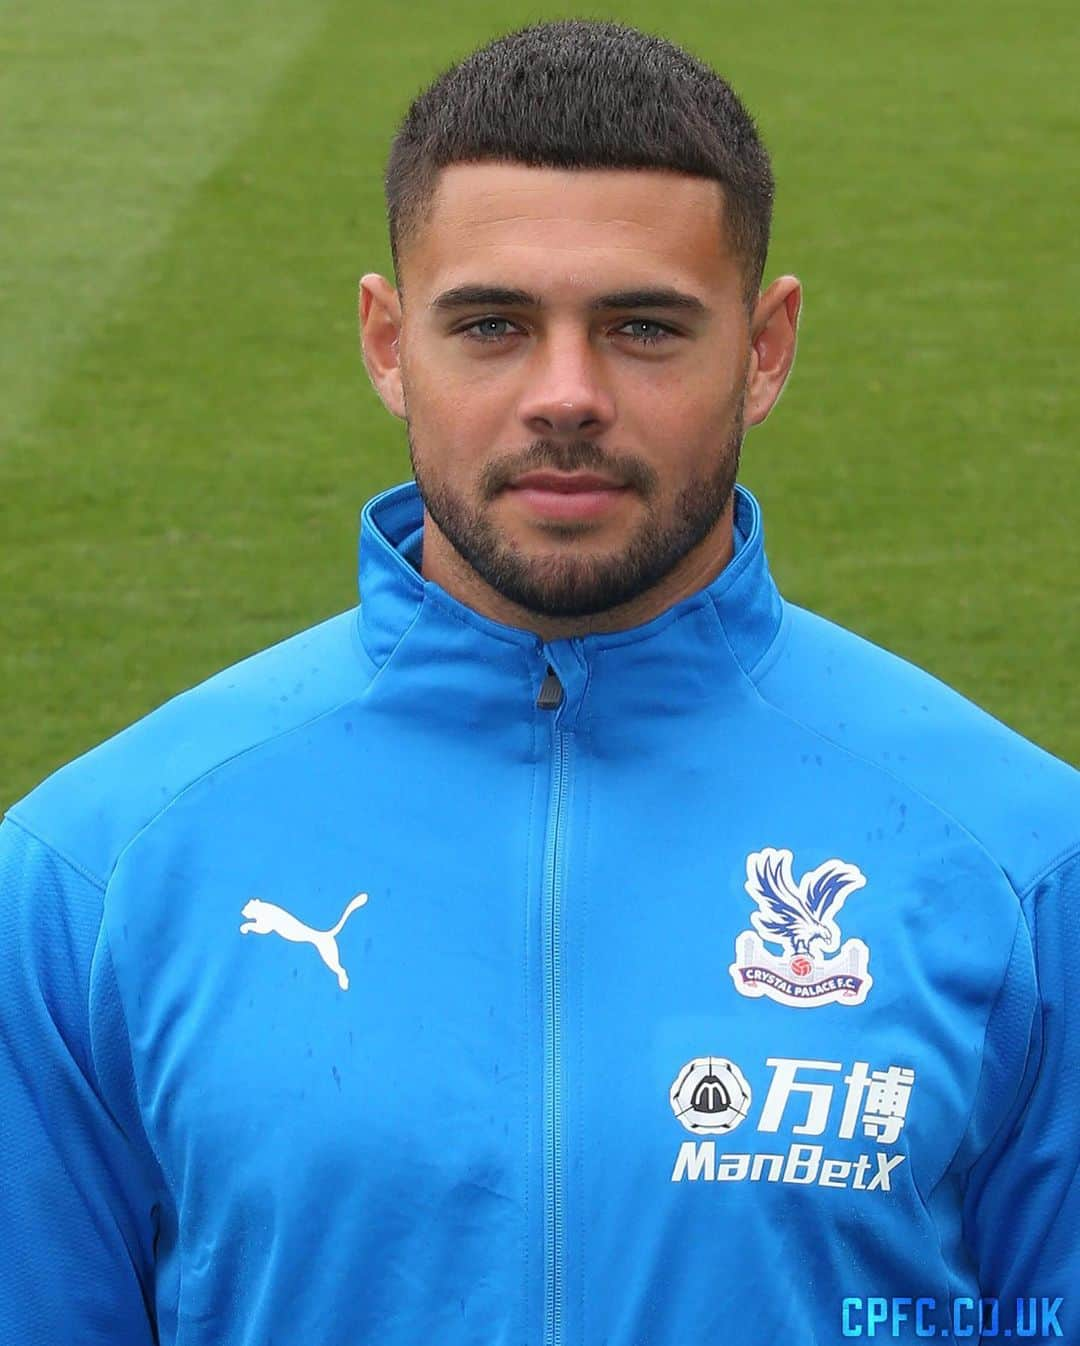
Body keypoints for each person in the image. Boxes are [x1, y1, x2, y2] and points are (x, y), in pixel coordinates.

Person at [1, 18, 1076, 1345]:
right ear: (389, 341)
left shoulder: (1027, 868)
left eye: (642, 327)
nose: (566, 396)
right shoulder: (95, 873)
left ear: (767, 344)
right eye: (495, 325)